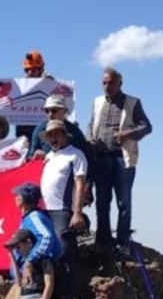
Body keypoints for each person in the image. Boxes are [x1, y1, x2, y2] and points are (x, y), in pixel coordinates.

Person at [87, 66, 153, 257]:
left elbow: (147, 126)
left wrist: (128, 134)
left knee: (123, 202)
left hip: (122, 158)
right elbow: (91, 125)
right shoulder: (98, 102)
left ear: (120, 83)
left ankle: (122, 242)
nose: (107, 86)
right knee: (102, 201)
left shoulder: (132, 102)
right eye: (104, 83)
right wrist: (90, 138)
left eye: (111, 83)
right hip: (101, 158)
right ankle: (103, 240)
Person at [38, 120, 91, 269]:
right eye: (49, 135)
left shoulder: (76, 154)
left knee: (64, 248)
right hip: (44, 210)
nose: (53, 138)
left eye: (56, 134)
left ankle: (70, 289)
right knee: (47, 248)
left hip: (63, 209)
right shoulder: (48, 156)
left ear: (65, 136)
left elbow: (80, 184)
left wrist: (77, 213)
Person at [5, 228, 56, 299]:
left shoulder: (43, 260)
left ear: (29, 242)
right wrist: (11, 254)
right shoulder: (26, 263)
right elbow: (19, 282)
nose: (17, 250)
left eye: (18, 247)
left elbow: (49, 285)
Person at [27, 94, 90, 160]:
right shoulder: (39, 130)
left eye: (54, 110)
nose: (50, 114)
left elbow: (85, 157)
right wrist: (38, 156)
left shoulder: (75, 132)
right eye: (47, 111)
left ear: (64, 111)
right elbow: (31, 157)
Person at [15, 50, 53, 139]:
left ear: (41, 70)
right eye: (28, 70)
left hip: (45, 132)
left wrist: (50, 85)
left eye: (34, 70)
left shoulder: (50, 84)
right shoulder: (18, 88)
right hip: (24, 134)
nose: (30, 73)